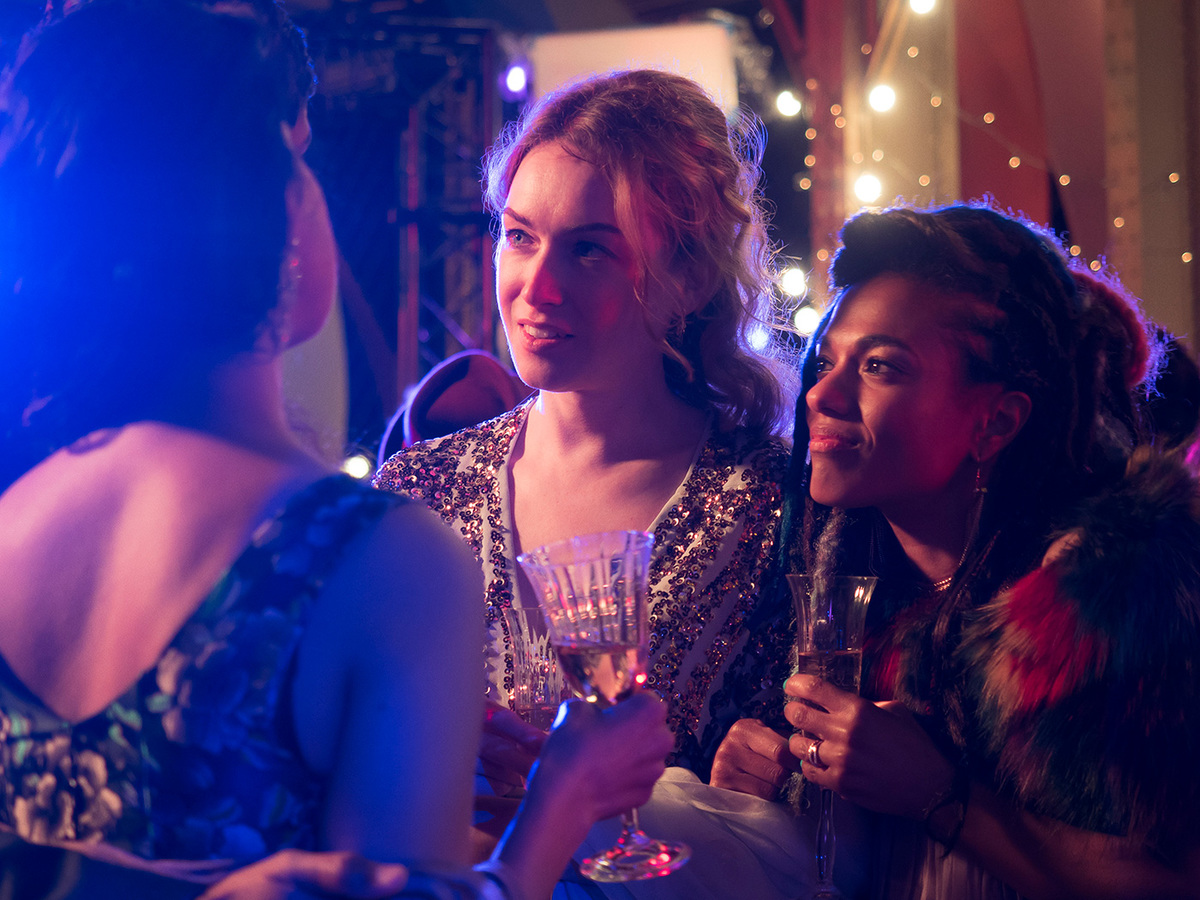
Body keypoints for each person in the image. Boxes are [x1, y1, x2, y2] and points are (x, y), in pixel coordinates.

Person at [0, 3, 672, 899]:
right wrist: (563, 797)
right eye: (302, 157)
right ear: (273, 210)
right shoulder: (375, 554)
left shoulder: (17, 517)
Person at [711, 203, 1200, 898]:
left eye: (879, 365)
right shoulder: (846, 577)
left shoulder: (1106, 590)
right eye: (826, 361)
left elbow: (1168, 881)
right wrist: (764, 787)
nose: (822, 393)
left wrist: (939, 794)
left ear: (995, 422)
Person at [374, 70, 797, 785]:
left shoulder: (771, 503)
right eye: (519, 237)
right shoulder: (419, 491)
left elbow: (814, 801)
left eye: (590, 249)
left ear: (690, 278)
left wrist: (775, 774)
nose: (537, 288)